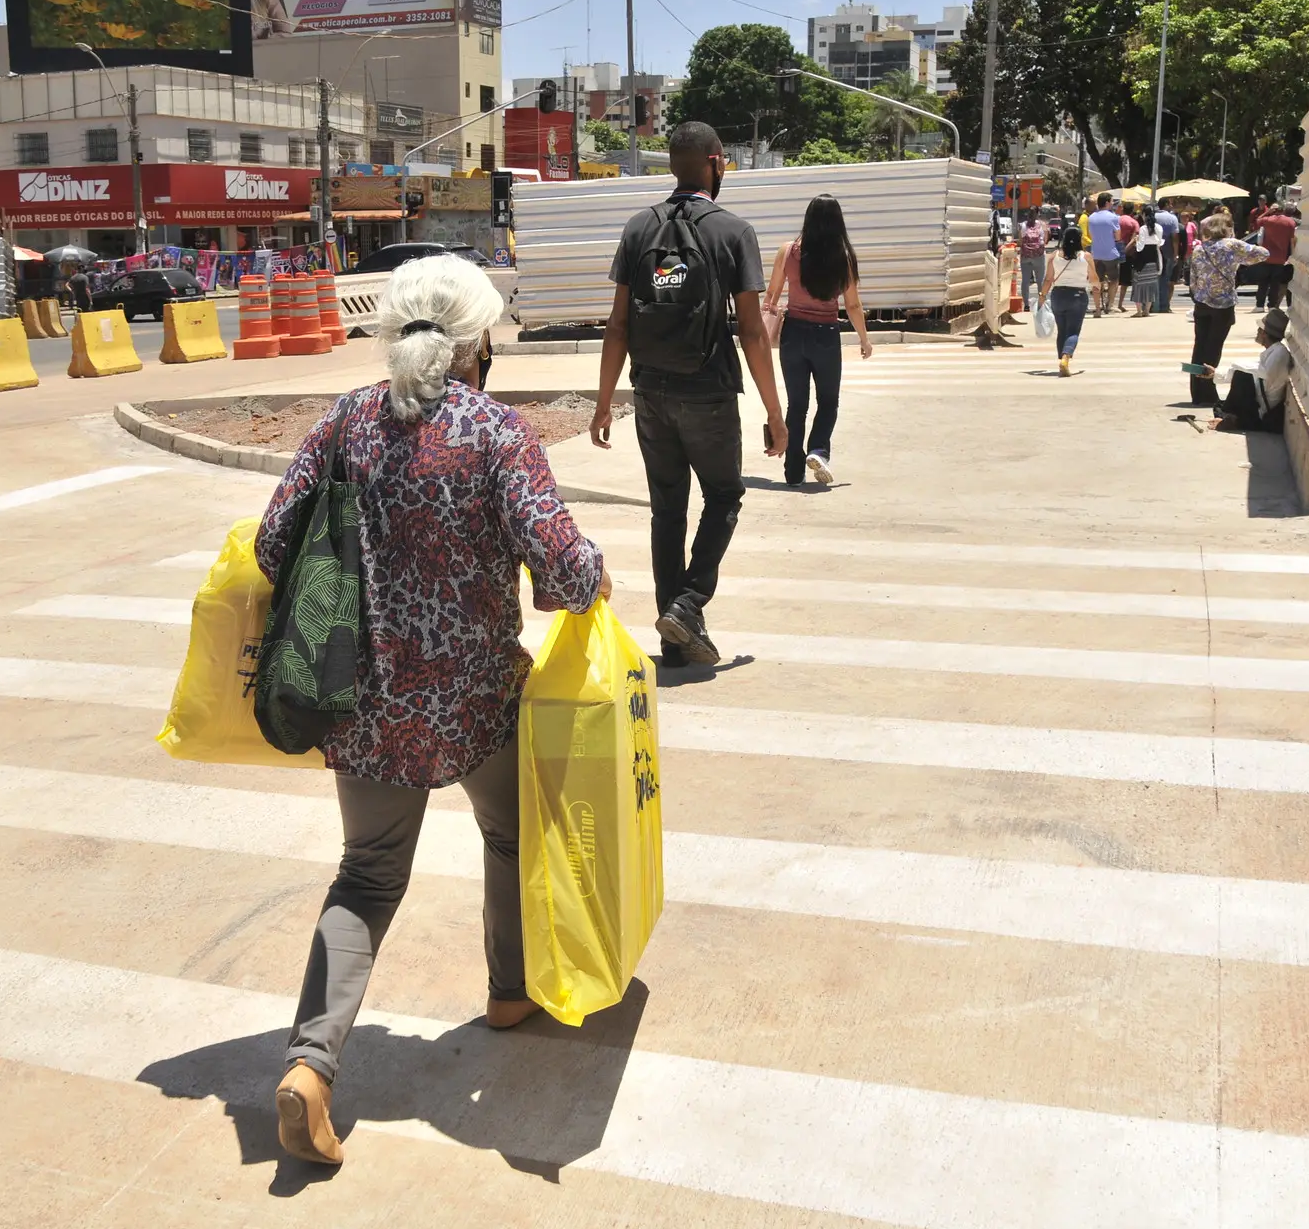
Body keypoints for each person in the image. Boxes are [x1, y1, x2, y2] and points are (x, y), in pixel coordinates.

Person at [256, 254, 610, 1166]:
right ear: (476, 342)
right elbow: (565, 574)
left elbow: (270, 543)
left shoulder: (344, 422)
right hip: (477, 700)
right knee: (511, 835)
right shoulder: (498, 432)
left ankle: (309, 1067)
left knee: (367, 878)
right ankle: (509, 988)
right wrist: (595, 567)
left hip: (361, 705)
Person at [591, 120, 787, 670]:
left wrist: (606, 402)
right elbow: (751, 330)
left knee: (667, 511)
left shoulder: (638, 229)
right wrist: (775, 411)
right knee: (724, 496)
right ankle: (687, 603)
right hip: (710, 391)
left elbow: (618, 325)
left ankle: (676, 637)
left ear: (672, 165)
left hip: (650, 390)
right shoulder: (733, 231)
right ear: (717, 162)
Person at [763, 194, 874, 487]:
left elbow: (771, 295)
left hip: (793, 334)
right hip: (825, 336)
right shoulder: (844, 258)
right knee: (828, 401)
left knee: (796, 405)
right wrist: (864, 339)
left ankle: (793, 470)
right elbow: (852, 305)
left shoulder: (787, 252)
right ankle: (818, 451)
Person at [1184, 212, 1270, 406]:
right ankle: (1207, 393)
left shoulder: (1199, 249)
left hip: (1202, 303)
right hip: (1223, 305)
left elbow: (1193, 280)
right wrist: (1241, 260)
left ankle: (1197, 393)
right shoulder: (1232, 245)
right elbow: (1264, 253)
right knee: (1214, 348)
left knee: (1199, 347)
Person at [1216, 308, 1292, 432]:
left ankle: (1233, 418)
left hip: (1262, 410)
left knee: (1241, 376)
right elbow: (1254, 368)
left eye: (1259, 330)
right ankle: (1230, 416)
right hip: (1260, 399)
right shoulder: (1273, 351)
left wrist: (1235, 369)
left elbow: (1263, 374)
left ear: (1265, 334)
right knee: (1241, 374)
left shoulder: (1279, 353)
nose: (1257, 332)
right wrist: (1217, 374)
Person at [1042, 228, 1091, 377]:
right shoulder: (1086, 256)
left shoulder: (1053, 256)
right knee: (1073, 331)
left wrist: (1042, 295)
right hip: (1078, 295)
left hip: (1058, 296)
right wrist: (1097, 286)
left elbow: (1048, 279)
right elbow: (1094, 278)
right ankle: (1065, 358)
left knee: (1062, 330)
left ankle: (1062, 361)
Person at [1255, 203, 1298, 310]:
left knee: (1263, 282)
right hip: (1280, 258)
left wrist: (1267, 211)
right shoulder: (1290, 222)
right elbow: (1292, 241)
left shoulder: (1268, 220)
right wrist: (1292, 256)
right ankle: (1272, 306)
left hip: (1266, 256)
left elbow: (1257, 221)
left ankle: (1260, 306)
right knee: (1275, 284)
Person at [1085, 194, 1122, 317]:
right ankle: (1109, 305)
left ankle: (1098, 308)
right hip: (1110, 253)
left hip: (1096, 253)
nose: (1112, 204)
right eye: (1111, 201)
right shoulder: (1113, 217)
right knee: (1114, 280)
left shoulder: (1091, 218)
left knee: (1097, 281)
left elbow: (1091, 234)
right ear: (1107, 203)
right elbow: (1118, 237)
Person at [1128, 205, 1163, 316]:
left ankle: (1139, 311)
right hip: (1154, 256)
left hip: (1143, 258)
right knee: (1151, 284)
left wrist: (1136, 241)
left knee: (1138, 284)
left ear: (1143, 215)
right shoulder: (1159, 228)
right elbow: (1159, 242)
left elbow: (1140, 247)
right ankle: (1146, 310)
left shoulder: (1143, 228)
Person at [1152, 199, 1181, 313]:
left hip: (1154, 251)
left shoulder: (1153, 216)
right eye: (1170, 204)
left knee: (1154, 278)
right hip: (1167, 251)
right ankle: (1163, 306)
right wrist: (1176, 254)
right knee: (1165, 279)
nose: (1171, 206)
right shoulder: (1172, 218)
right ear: (1166, 205)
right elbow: (1175, 238)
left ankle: (1152, 304)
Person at [1017, 212, 1048, 316]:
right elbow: (1045, 240)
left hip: (1025, 257)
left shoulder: (1022, 225)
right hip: (1039, 256)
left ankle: (1026, 305)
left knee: (1025, 281)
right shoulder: (1042, 225)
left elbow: (1020, 242)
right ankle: (1041, 304)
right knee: (1040, 281)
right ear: (1037, 214)